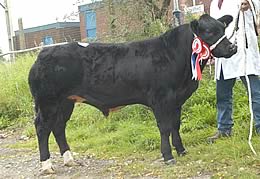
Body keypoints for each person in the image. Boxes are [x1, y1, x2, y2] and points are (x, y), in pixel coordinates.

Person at [208, 0, 260, 142]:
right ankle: (224, 128)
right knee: (222, 95)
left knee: (255, 92)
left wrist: (249, 4)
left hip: (243, 51)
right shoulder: (214, 4)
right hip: (223, 54)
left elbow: (256, 4)